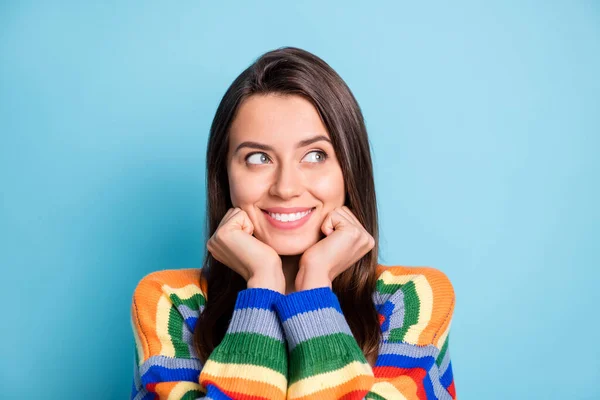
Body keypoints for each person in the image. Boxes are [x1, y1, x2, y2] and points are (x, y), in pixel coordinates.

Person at [129, 46, 457, 400]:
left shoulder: (411, 300)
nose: (286, 188)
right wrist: (262, 283)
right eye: (258, 158)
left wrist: (314, 283)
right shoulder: (172, 304)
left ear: (350, 169)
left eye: (315, 155)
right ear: (225, 176)